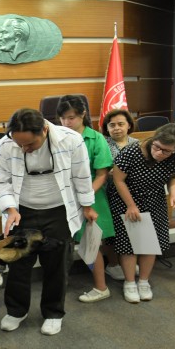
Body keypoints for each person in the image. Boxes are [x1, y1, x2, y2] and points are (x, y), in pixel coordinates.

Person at [0, 108, 97, 336]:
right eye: (19, 144)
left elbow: (82, 175)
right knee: (18, 264)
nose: (23, 148)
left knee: (57, 266)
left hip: (59, 210)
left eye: (29, 144)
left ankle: (53, 313)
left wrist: (87, 206)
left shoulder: (71, 140)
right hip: (22, 210)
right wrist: (10, 208)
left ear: (45, 130)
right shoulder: (5, 145)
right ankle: (17, 311)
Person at [106, 124, 175, 302]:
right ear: (153, 140)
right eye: (157, 147)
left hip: (154, 201)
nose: (160, 153)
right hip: (126, 199)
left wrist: (174, 195)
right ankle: (129, 282)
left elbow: (174, 176)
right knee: (129, 244)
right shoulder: (132, 151)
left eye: (166, 151)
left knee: (150, 244)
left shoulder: (174, 157)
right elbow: (119, 180)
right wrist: (131, 205)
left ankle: (143, 281)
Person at [56, 95, 114, 303]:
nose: (66, 123)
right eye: (63, 118)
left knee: (92, 243)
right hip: (64, 196)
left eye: (71, 118)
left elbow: (102, 173)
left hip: (91, 196)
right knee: (78, 241)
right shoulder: (57, 137)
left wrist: (85, 195)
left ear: (83, 115)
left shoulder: (95, 138)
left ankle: (101, 287)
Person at [100, 109, 139, 281]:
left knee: (130, 230)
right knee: (111, 232)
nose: (116, 128)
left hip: (132, 195)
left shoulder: (138, 144)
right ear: (107, 128)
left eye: (121, 124)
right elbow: (100, 168)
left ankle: (129, 261)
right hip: (108, 193)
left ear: (129, 125)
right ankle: (113, 264)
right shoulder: (102, 143)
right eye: (112, 125)